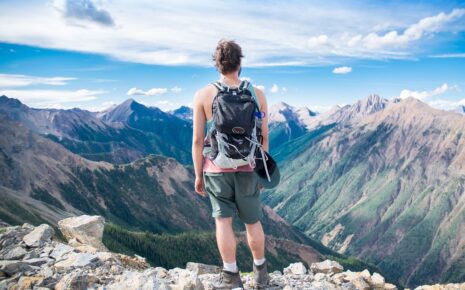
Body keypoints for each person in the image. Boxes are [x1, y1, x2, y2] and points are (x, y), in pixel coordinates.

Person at [192, 39, 270, 289]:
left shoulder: (203, 94)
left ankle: (232, 277)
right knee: (252, 221)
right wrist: (262, 171)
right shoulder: (256, 94)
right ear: (240, 62)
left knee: (223, 222)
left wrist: (198, 175)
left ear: (217, 65)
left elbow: (196, 140)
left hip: (216, 169)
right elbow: (263, 137)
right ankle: (261, 274)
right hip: (248, 167)